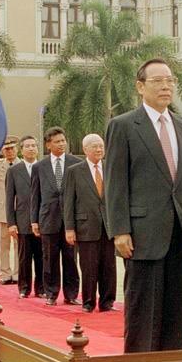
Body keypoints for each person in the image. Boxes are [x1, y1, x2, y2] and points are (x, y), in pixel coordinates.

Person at [104, 58, 182, 352]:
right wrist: (120, 230)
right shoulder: (123, 126)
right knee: (142, 309)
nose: (165, 86)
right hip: (141, 233)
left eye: (170, 80)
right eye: (158, 81)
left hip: (179, 232)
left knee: (177, 308)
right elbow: (115, 183)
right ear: (140, 87)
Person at [64, 134, 116, 313]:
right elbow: (68, 201)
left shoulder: (110, 167)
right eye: (95, 146)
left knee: (109, 266)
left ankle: (107, 302)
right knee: (88, 267)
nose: (99, 149)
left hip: (109, 226)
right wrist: (69, 228)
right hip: (85, 226)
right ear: (85, 149)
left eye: (101, 146)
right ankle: (88, 302)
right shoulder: (74, 171)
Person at [31, 127, 81, 306]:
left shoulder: (76, 163)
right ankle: (51, 293)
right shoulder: (39, 167)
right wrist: (34, 220)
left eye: (63, 141)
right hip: (48, 219)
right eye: (57, 141)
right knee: (49, 258)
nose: (61, 144)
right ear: (48, 145)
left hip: (70, 221)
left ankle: (71, 294)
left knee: (70, 258)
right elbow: (35, 195)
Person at [7, 136, 43, 299]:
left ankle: (41, 288)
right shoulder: (14, 171)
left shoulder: (43, 167)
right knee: (24, 257)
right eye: (27, 146)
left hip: (42, 220)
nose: (31, 148)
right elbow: (9, 199)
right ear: (21, 150)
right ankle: (24, 287)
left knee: (42, 257)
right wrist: (11, 223)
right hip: (22, 221)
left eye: (34, 145)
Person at [0, 136, 19, 285]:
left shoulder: (23, 165)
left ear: (17, 149)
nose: (10, 151)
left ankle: (18, 273)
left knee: (19, 245)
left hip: (19, 210)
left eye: (12, 148)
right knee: (2, 245)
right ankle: (5, 273)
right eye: (6, 149)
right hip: (1, 210)